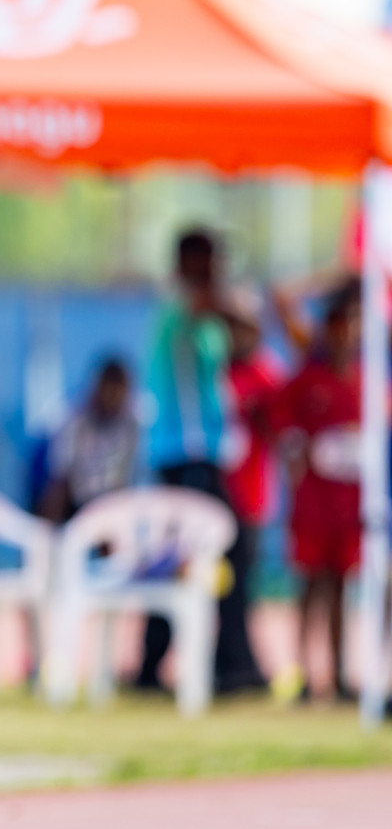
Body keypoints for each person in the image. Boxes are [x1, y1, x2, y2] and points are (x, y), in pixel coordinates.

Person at [133, 229, 259, 695]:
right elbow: (238, 314)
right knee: (218, 550)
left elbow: (249, 337)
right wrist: (235, 297)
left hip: (200, 453)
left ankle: (179, 662)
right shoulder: (183, 302)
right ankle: (228, 663)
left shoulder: (205, 317)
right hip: (185, 455)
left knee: (194, 556)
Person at [273, 278, 364, 702]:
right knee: (310, 586)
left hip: (350, 503)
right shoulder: (308, 378)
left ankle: (342, 673)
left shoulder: (366, 381)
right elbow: (281, 424)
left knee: (344, 590)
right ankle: (304, 673)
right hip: (313, 501)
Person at [219, 288, 284, 693]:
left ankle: (239, 662)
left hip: (251, 495)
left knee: (242, 584)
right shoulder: (217, 371)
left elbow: (278, 431)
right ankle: (225, 660)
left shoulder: (265, 372)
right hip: (217, 492)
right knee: (219, 584)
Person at [38, 357, 139, 524]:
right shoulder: (75, 422)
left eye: (118, 390)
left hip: (115, 506)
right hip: (78, 506)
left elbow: (131, 481)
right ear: (96, 388)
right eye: (108, 389)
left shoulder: (133, 425)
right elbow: (58, 482)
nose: (112, 397)